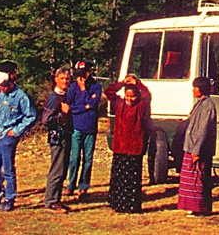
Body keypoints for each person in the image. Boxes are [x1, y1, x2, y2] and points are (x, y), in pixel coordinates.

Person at [0, 63, 36, 211]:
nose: (2, 90)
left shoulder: (20, 97)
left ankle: (9, 198)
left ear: (10, 82)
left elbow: (30, 117)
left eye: (4, 87)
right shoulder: (0, 95)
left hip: (8, 136)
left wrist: (16, 131)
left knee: (8, 168)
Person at [104, 74, 154, 214]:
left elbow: (146, 95)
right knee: (118, 179)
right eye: (127, 95)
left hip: (134, 149)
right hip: (120, 147)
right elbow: (109, 92)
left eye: (132, 96)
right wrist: (122, 83)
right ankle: (117, 204)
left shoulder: (141, 106)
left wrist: (137, 83)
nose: (129, 99)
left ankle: (130, 206)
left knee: (131, 180)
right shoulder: (119, 104)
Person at [178, 76, 219, 216]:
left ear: (201, 89)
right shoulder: (199, 103)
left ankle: (200, 208)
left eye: (195, 87)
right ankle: (194, 207)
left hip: (199, 149)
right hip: (191, 147)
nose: (193, 90)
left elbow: (203, 130)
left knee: (199, 179)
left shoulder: (208, 106)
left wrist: (197, 151)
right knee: (190, 179)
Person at [66, 59, 105, 200]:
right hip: (76, 127)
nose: (81, 77)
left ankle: (83, 186)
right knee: (74, 157)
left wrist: (84, 91)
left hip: (90, 127)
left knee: (87, 159)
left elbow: (94, 104)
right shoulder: (72, 87)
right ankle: (71, 184)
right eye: (79, 74)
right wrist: (84, 107)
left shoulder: (96, 87)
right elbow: (70, 106)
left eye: (84, 73)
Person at [41, 66, 73, 211]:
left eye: (67, 79)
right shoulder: (54, 97)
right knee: (57, 169)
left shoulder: (65, 95)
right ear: (56, 80)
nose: (65, 81)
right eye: (62, 79)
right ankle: (51, 201)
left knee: (62, 169)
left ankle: (56, 199)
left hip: (65, 135)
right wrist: (63, 115)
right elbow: (46, 120)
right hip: (57, 137)